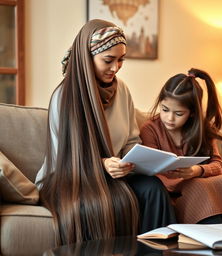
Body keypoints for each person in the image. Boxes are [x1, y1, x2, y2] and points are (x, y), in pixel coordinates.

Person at [35, 19, 176, 245]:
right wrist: (101, 164)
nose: (115, 67)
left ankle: (157, 251)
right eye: (108, 60)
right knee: (98, 203)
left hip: (115, 175)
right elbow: (64, 155)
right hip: (70, 176)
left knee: (154, 190)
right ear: (86, 58)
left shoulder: (123, 91)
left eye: (121, 60)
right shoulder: (63, 97)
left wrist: (133, 160)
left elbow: (131, 139)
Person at [140, 68, 222, 224]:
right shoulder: (150, 129)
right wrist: (188, 180)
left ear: (192, 113)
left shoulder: (201, 128)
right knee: (203, 185)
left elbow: (218, 164)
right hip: (180, 193)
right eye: (165, 110)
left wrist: (197, 171)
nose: (169, 118)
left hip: (205, 185)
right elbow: (152, 172)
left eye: (179, 113)